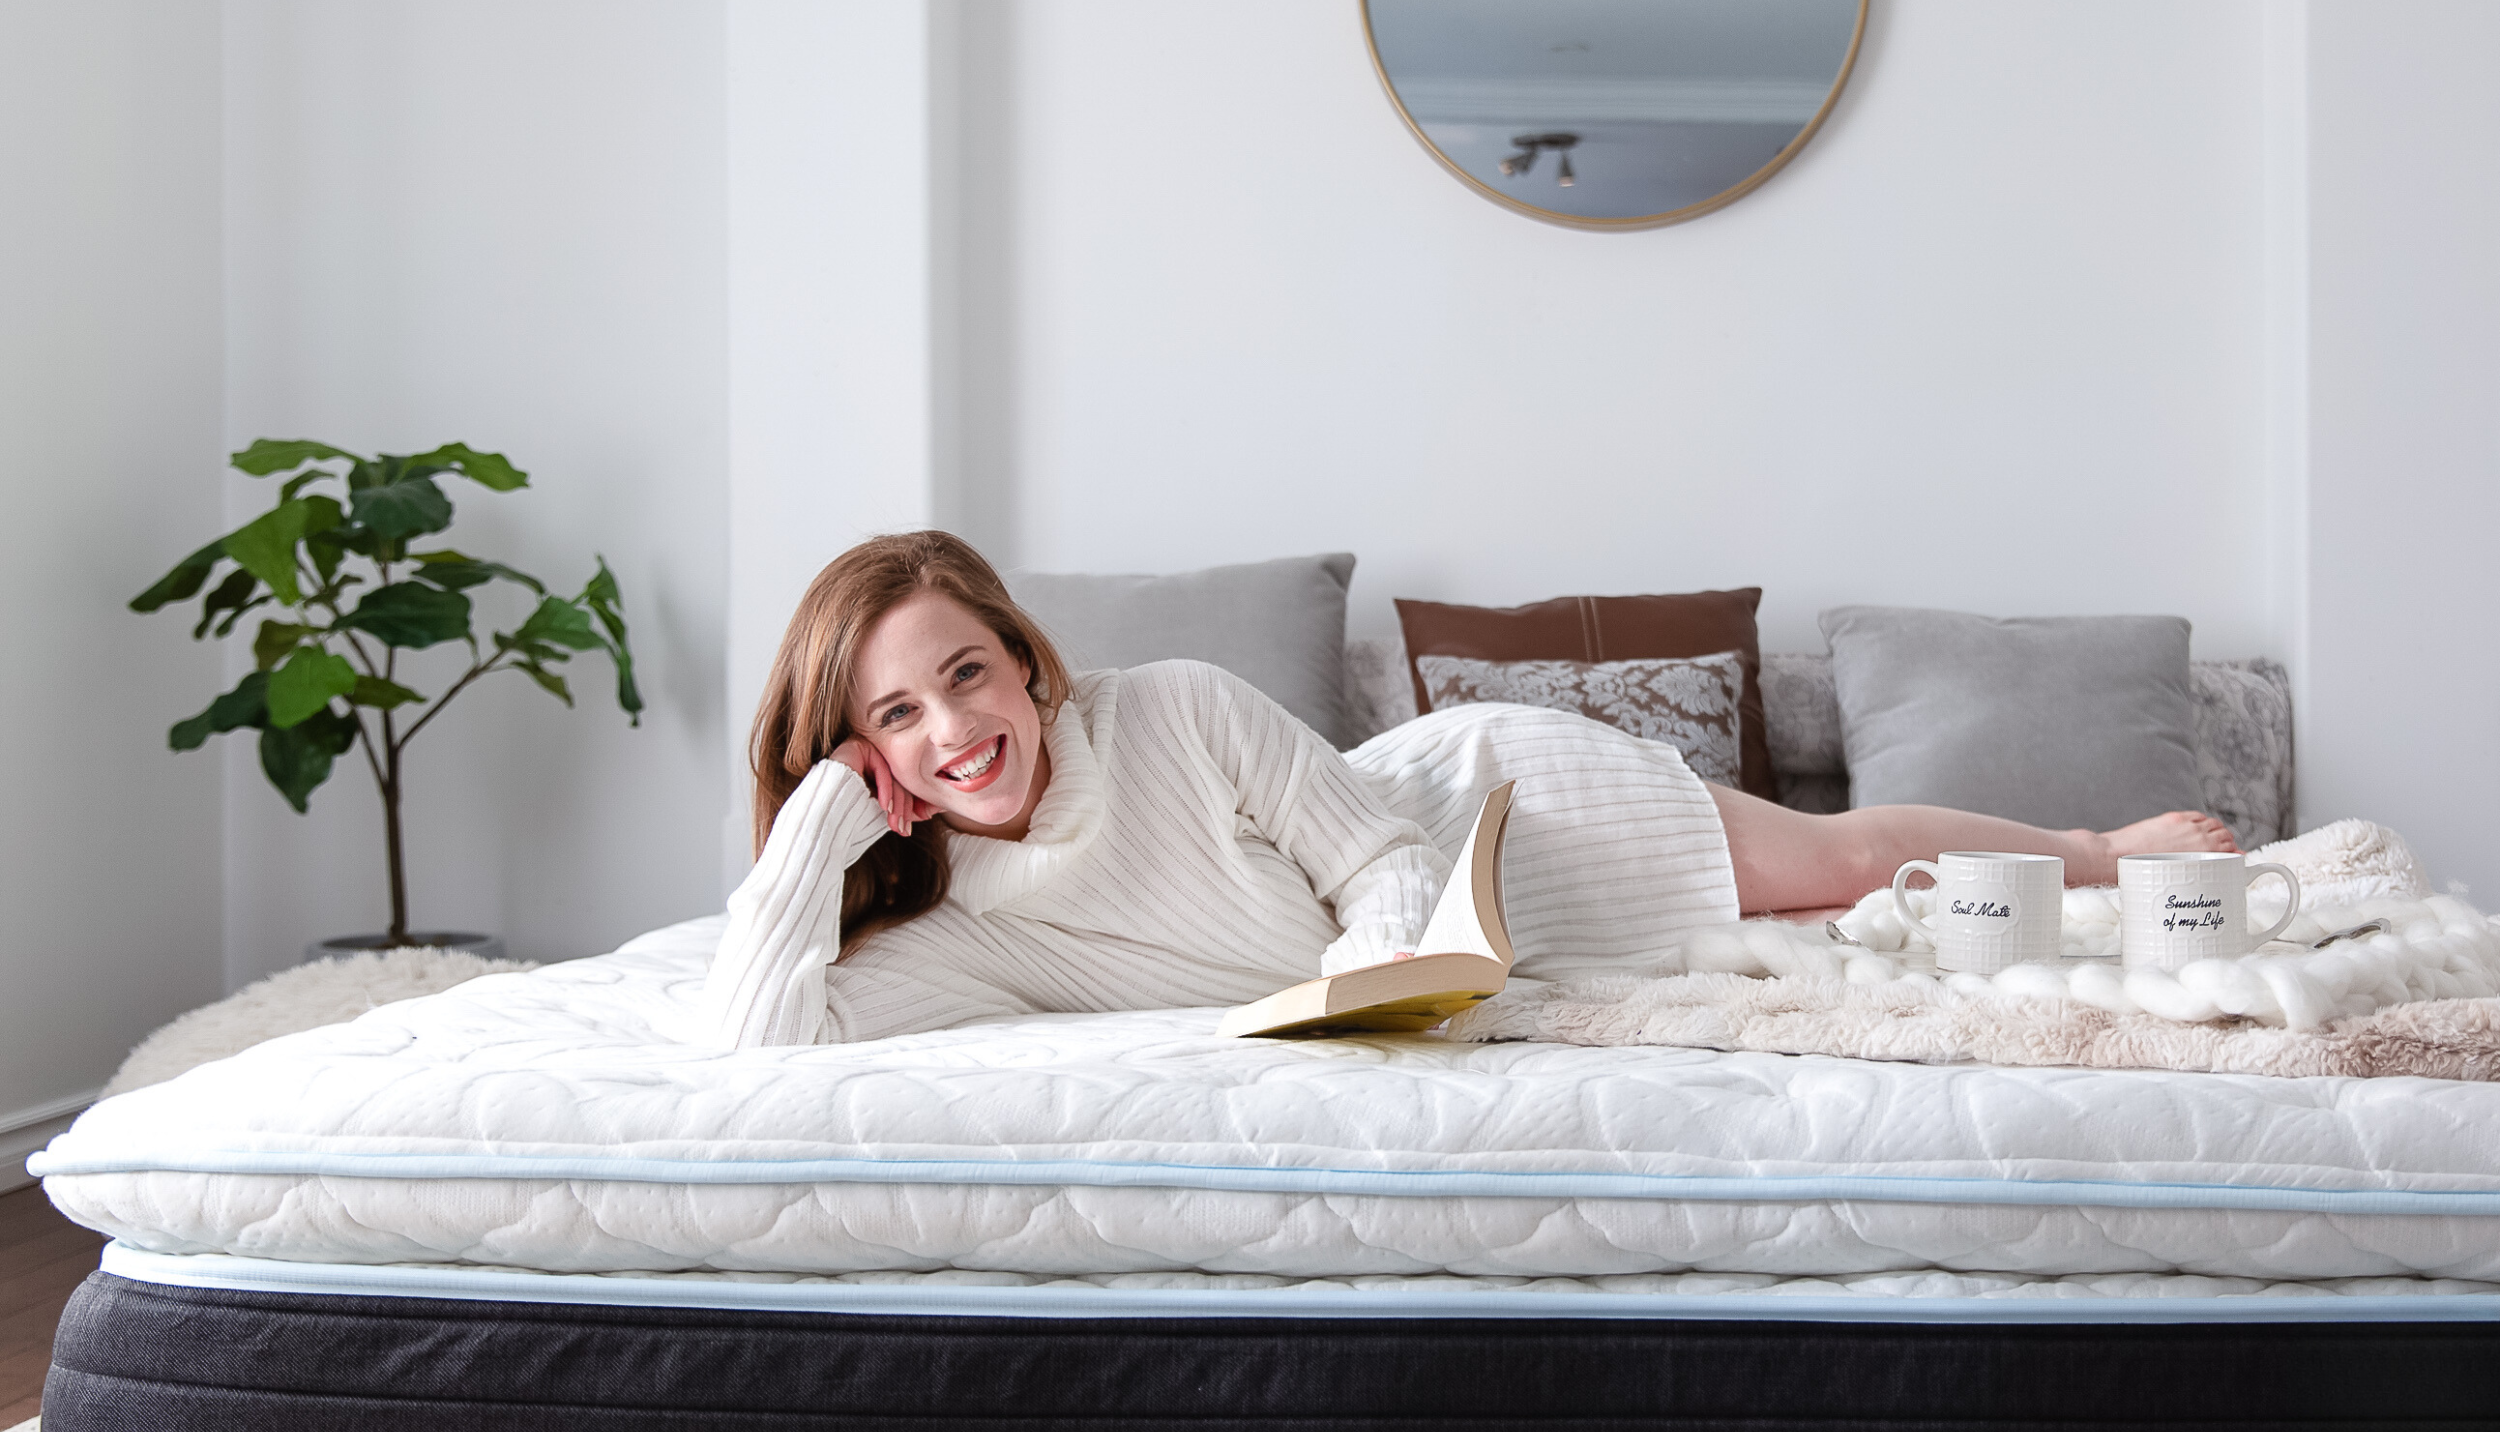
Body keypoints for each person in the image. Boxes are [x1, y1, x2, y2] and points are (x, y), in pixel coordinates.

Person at [703, 533, 2237, 1047]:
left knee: (1833, 862)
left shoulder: (1171, 707)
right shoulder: (958, 923)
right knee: (1834, 916)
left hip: (1491, 811)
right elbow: (760, 1038)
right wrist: (827, 820)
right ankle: (2067, 878)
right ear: (862, 755)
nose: (951, 729)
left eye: (965, 672)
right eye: (892, 716)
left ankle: (2090, 850)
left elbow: (1373, 851)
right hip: (1445, 950)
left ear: (1023, 659)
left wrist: (1379, 973)